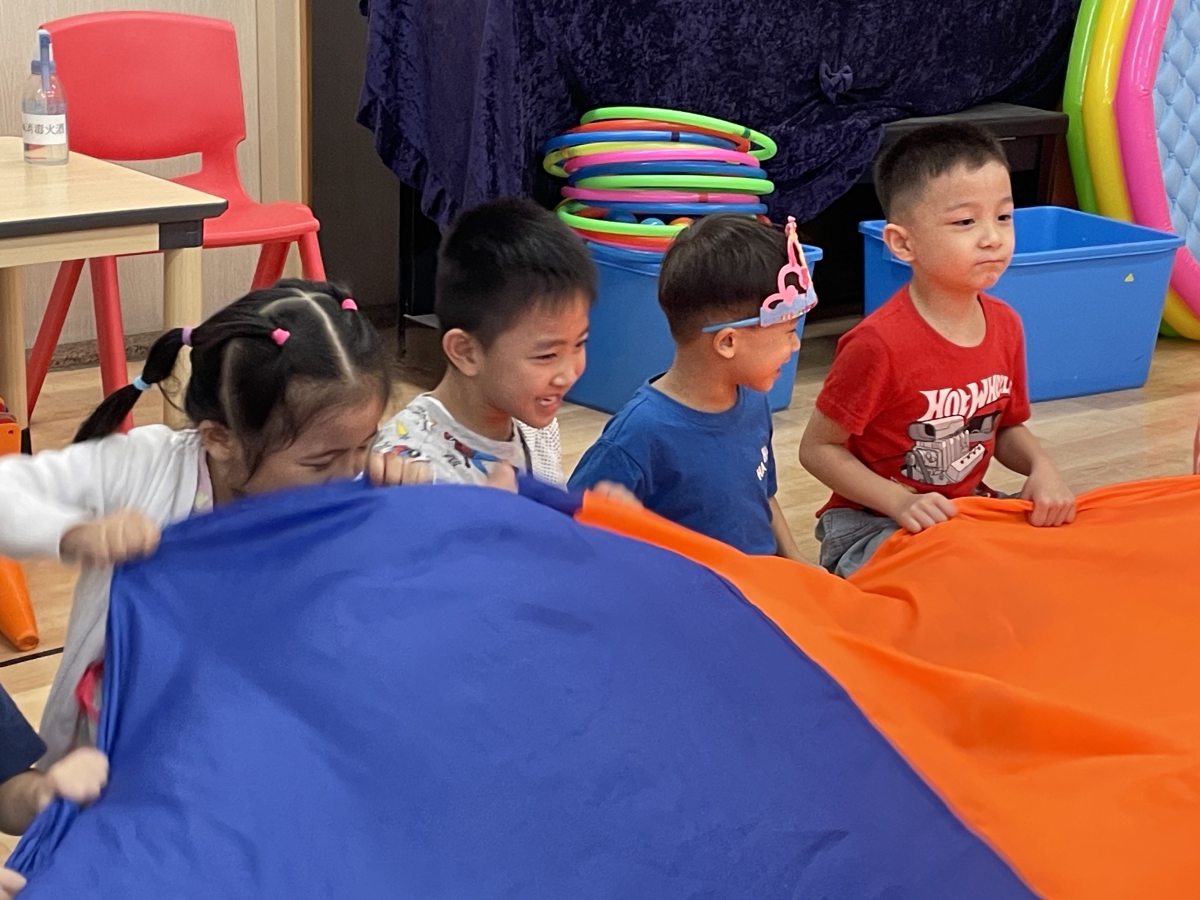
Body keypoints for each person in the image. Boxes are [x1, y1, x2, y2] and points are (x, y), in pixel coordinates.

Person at [0, 280, 429, 769]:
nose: (349, 470)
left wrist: (403, 520)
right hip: (116, 755)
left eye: (365, 445)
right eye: (322, 461)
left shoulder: (352, 493)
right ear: (220, 439)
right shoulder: (145, 468)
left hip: (245, 755)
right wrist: (74, 532)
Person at [799, 123, 1075, 577]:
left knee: (1059, 558)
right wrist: (899, 501)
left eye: (1004, 217)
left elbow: (1006, 428)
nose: (992, 237)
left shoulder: (1006, 324)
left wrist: (1042, 468)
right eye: (965, 222)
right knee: (958, 580)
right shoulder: (877, 343)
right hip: (871, 523)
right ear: (902, 243)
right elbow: (817, 449)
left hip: (960, 513)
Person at [569, 214, 809, 559]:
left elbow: (763, 497)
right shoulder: (636, 438)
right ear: (728, 342)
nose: (796, 345)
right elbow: (574, 536)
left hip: (762, 580)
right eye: (788, 332)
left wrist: (798, 562)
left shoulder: (754, 401)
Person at [376, 199, 595, 486]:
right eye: (547, 355)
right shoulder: (407, 471)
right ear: (466, 352)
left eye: (580, 343)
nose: (568, 374)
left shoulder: (535, 426)